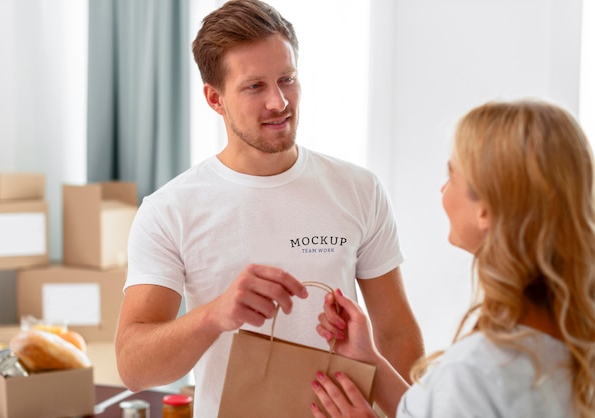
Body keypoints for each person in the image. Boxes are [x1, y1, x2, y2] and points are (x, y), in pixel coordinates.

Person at [114, 1, 424, 417]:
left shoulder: (358, 189)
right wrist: (213, 316)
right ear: (214, 98)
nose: (279, 102)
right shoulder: (169, 211)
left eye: (287, 79)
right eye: (254, 86)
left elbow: (396, 331)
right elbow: (134, 368)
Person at [310, 99, 595, 417]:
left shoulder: (474, 370)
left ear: (485, 209)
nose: (443, 189)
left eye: (453, 175)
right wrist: (369, 359)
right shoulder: (570, 340)